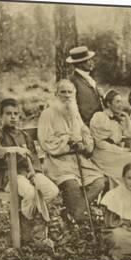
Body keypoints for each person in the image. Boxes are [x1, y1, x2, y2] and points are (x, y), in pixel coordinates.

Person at [37, 79, 107, 223]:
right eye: (63, 92)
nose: (67, 95)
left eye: (70, 92)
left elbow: (86, 134)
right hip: (58, 162)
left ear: (74, 94)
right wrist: (67, 142)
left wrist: (84, 145)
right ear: (56, 94)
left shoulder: (75, 113)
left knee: (100, 181)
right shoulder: (48, 114)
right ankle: (80, 216)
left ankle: (74, 213)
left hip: (78, 160)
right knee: (72, 185)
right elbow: (45, 141)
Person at [0, 98, 59, 220]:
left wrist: (34, 172)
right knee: (30, 193)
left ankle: (27, 216)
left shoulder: (23, 135)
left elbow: (33, 155)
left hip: (28, 174)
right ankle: (30, 223)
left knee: (52, 191)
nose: (13, 117)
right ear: (1, 116)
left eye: (15, 114)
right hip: (9, 177)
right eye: (8, 114)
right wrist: (11, 150)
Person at [89, 89, 131, 196]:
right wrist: (120, 150)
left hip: (114, 154)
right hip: (102, 155)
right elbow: (100, 143)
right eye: (117, 102)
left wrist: (127, 118)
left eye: (121, 102)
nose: (121, 105)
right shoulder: (100, 117)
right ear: (108, 104)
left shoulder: (119, 118)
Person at [67, 46, 104, 125]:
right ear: (80, 64)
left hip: (98, 124)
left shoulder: (90, 79)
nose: (91, 62)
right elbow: (71, 108)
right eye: (88, 60)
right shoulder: (72, 81)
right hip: (84, 126)